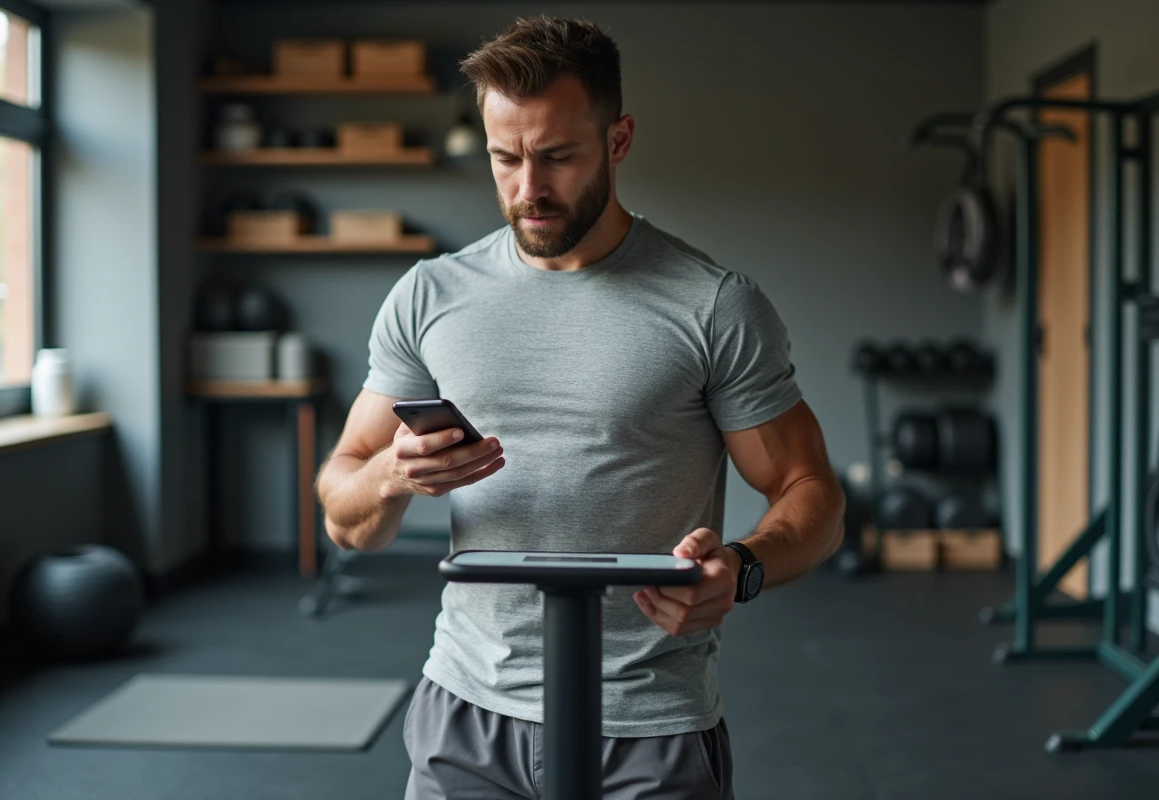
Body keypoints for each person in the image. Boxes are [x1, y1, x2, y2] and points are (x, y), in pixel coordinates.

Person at [316, 15, 845, 800]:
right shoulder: (428, 296)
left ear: (618, 139)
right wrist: (397, 473)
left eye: (558, 157)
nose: (529, 188)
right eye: (506, 159)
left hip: (648, 724)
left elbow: (814, 495)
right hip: (468, 711)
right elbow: (343, 510)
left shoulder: (713, 306)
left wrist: (741, 569)